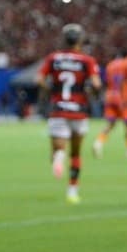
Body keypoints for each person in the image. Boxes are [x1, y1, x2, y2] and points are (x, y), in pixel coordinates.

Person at [36, 24, 102, 204]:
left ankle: (59, 157)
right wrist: (90, 93)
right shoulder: (87, 60)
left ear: (64, 39)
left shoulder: (53, 58)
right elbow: (96, 84)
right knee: (76, 154)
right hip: (78, 111)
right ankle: (72, 191)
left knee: (58, 149)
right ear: (80, 40)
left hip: (59, 109)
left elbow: (39, 79)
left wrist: (51, 90)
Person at [92, 49, 127, 159]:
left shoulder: (110, 65)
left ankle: (98, 143)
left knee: (110, 124)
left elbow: (105, 81)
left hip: (110, 96)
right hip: (122, 97)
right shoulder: (126, 64)